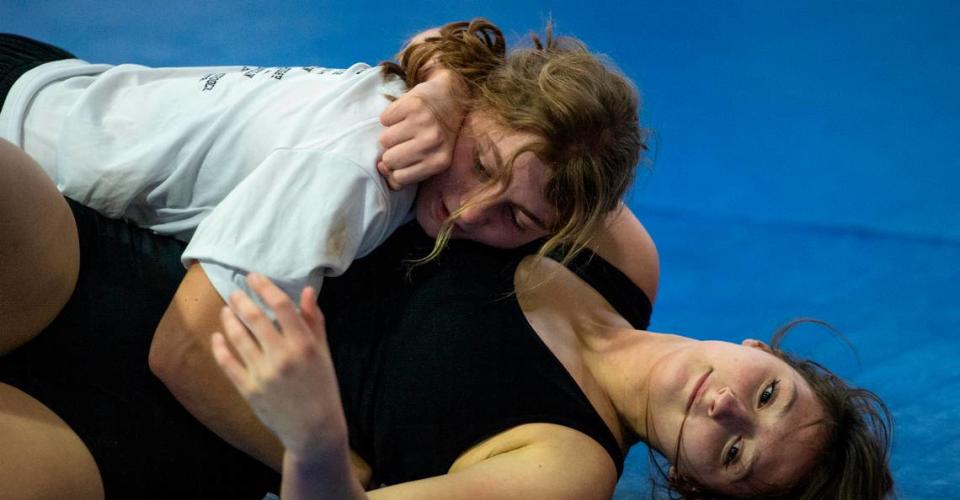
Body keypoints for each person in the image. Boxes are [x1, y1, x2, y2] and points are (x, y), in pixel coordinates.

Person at [0, 134, 944, 500]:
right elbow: (510, 114)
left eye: (734, 454)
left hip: (139, 454)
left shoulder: (564, 471)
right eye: (770, 394)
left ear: (701, 484)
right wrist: (451, 80)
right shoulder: (617, 251)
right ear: (754, 347)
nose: (729, 411)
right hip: (140, 269)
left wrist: (319, 444)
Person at [0, 20, 649, 466]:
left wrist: (446, 82)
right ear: (478, 107)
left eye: (516, 217)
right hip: (22, 138)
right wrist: (334, 468)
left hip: (58, 90)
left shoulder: (455, 99)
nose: (469, 210)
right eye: (482, 164)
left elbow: (457, 46)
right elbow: (185, 350)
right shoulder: (366, 171)